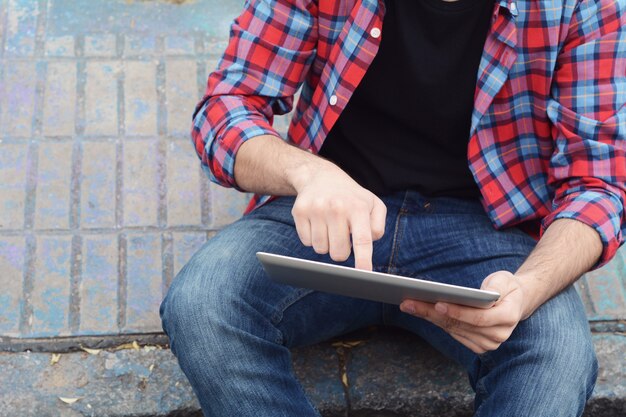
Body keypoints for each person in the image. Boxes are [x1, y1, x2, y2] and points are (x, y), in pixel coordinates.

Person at [160, 0, 625, 415]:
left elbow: (600, 185)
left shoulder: (583, 6)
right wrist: (308, 173)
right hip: (335, 210)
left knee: (556, 354)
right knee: (204, 303)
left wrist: (527, 288)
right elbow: (225, 109)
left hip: (484, 228)